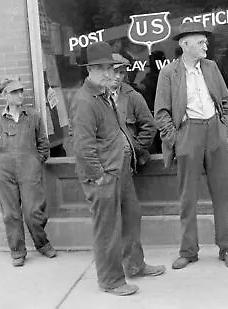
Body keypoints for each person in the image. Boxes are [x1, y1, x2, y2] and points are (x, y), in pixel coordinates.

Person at [70, 42, 164, 297]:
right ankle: (110, 280)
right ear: (90, 69)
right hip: (103, 175)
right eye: (103, 69)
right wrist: (98, 176)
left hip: (119, 170)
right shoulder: (85, 101)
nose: (110, 74)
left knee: (132, 216)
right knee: (108, 229)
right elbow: (82, 146)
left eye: (111, 68)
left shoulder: (104, 95)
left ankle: (134, 264)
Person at [154, 22, 228, 270]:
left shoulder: (211, 67)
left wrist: (224, 127)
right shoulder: (169, 73)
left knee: (223, 193)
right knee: (187, 197)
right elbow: (161, 112)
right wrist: (175, 139)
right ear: (185, 45)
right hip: (187, 132)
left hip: (215, 130)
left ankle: (226, 247)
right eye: (200, 42)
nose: (206, 46)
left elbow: (226, 100)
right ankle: (188, 251)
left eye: (205, 41)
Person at [0, 78, 56, 267]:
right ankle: (17, 251)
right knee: (10, 213)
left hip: (29, 169)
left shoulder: (33, 116)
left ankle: (42, 243)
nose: (20, 95)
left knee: (33, 211)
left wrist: (35, 162)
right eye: (14, 92)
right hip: (4, 171)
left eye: (21, 91)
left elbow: (43, 145)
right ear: (5, 96)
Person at [108, 53, 157, 167]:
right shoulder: (94, 96)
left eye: (122, 73)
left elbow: (150, 126)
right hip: (104, 160)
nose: (118, 77)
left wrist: (136, 148)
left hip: (127, 160)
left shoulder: (133, 96)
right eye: (115, 72)